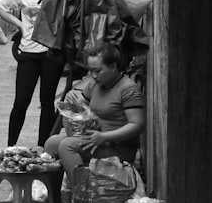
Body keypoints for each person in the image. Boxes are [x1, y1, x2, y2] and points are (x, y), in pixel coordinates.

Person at [44, 42, 145, 187]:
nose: (94, 75)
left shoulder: (128, 89)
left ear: (113, 67)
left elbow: (137, 125)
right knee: (52, 143)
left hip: (116, 147)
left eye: (98, 71)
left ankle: (83, 197)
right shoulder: (95, 84)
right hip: (93, 139)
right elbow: (80, 106)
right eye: (91, 71)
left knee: (68, 146)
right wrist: (74, 108)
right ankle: (55, 200)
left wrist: (103, 137)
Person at [0, 0, 64, 146]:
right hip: (28, 53)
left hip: (50, 54)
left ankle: (43, 146)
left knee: (47, 103)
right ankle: (11, 146)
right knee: (21, 102)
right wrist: (20, 25)